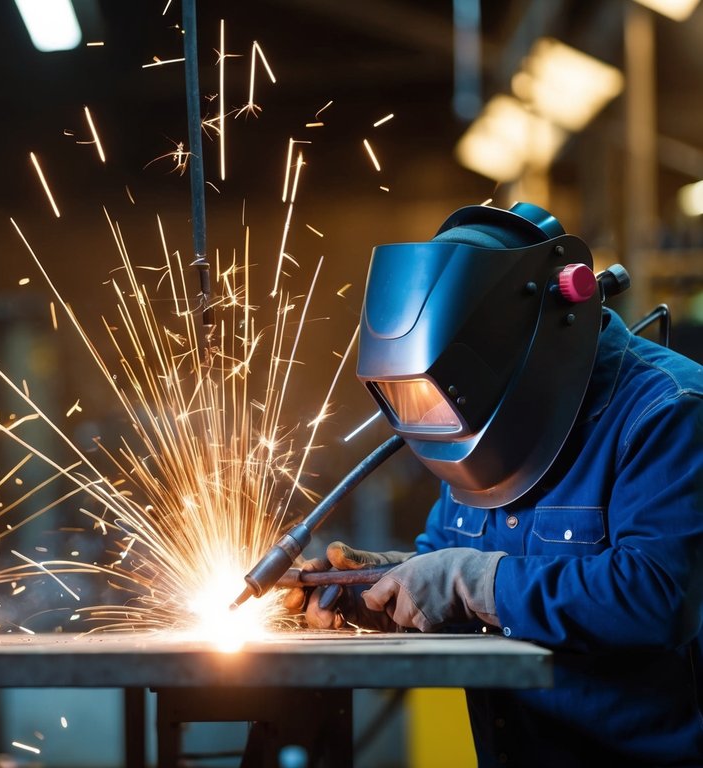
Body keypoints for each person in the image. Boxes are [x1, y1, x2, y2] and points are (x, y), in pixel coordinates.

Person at [285, 202, 703, 765]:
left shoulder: (666, 412)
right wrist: (375, 586)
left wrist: (472, 582)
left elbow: (655, 597)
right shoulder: (480, 422)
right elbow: (445, 561)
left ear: (524, 351)